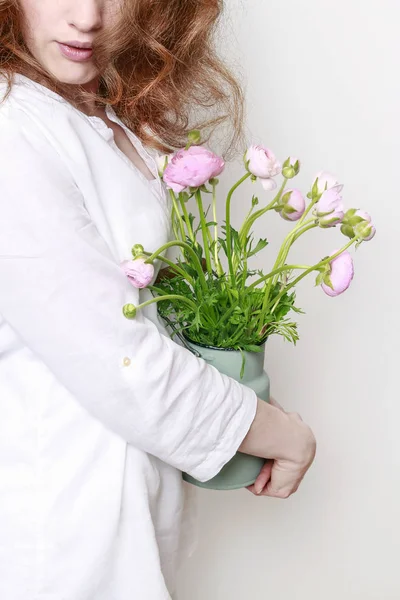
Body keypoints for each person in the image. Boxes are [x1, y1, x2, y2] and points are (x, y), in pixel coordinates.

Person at [0, 0, 316, 598]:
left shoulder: (93, 114)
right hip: (60, 532)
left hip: (119, 516)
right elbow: (117, 359)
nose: (87, 18)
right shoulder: (10, 129)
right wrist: (276, 432)